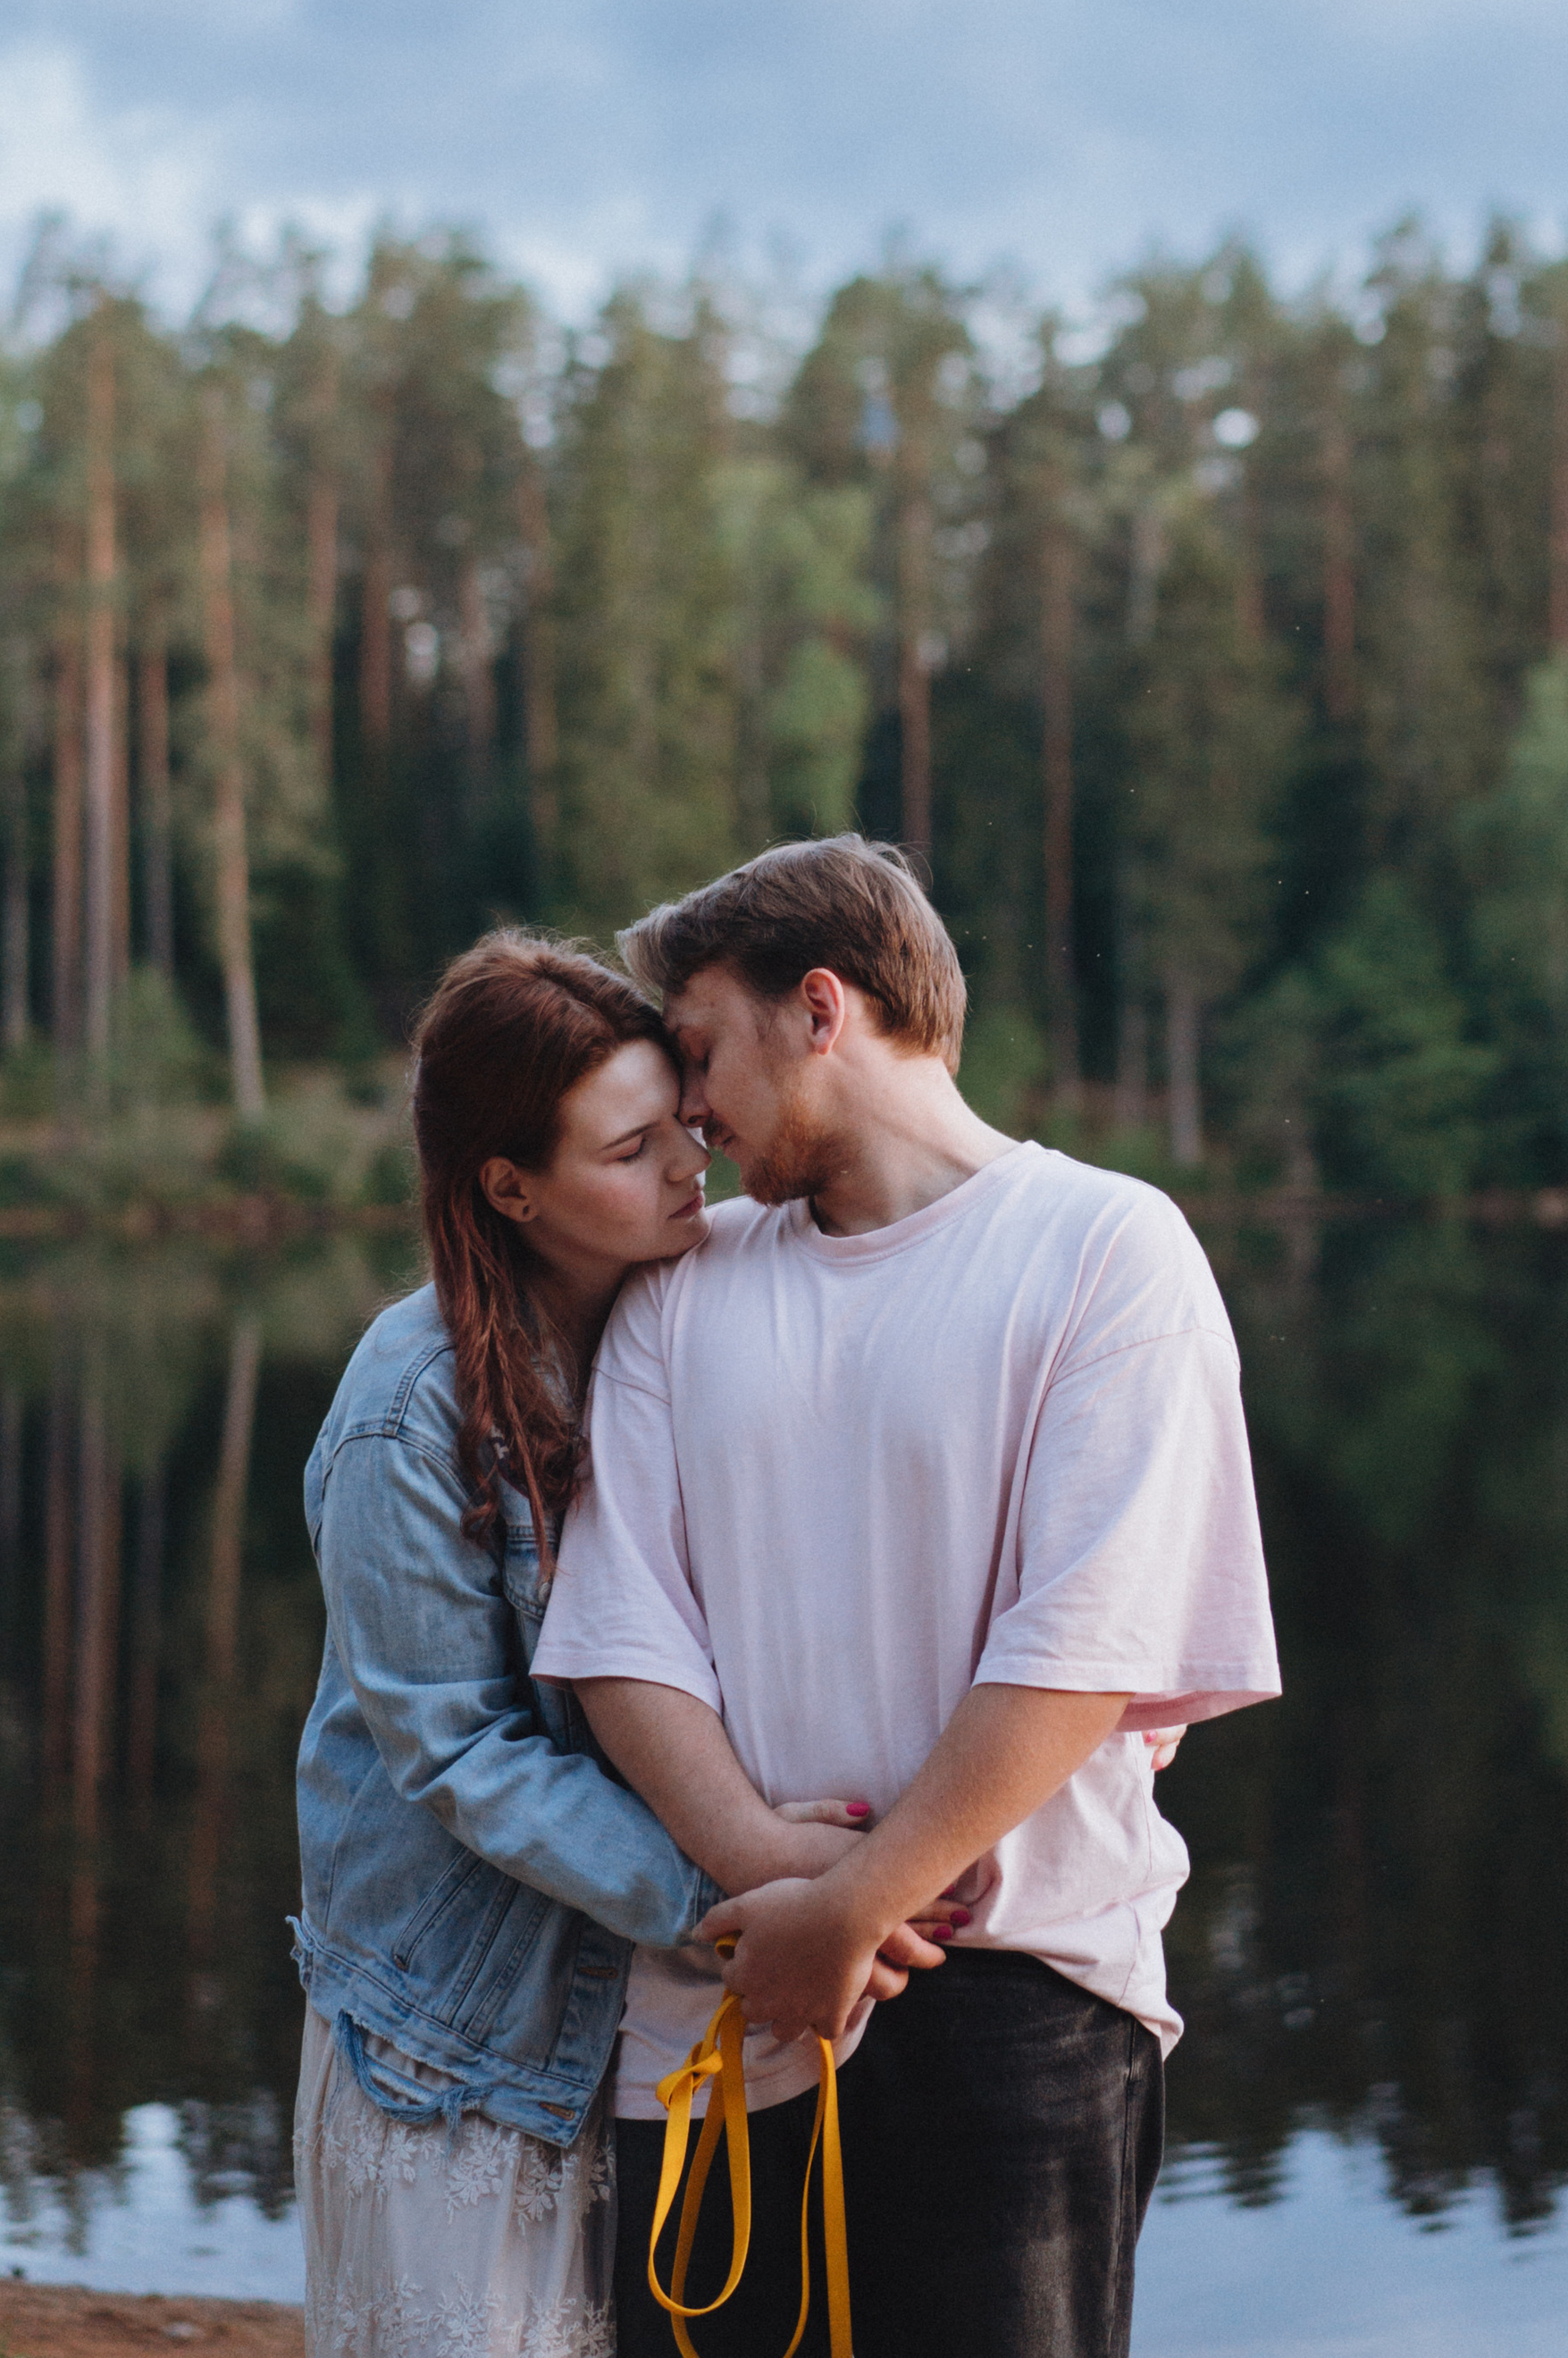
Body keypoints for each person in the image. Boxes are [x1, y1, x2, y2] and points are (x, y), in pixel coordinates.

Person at [531, 836, 1283, 2358]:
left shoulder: (1106, 1249)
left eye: (700, 1050)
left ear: (823, 1008)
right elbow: (623, 1637)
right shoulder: (684, 1284)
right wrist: (779, 1894)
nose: (687, 1109)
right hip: (721, 1996)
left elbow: (1085, 1645)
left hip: (1019, 2011)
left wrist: (862, 1903)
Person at [291, 933, 951, 2358]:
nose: (687, 1164)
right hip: (459, 2035)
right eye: (633, 1147)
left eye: (683, 1119)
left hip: (646, 2036)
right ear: (512, 1188)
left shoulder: (686, 1315)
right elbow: (456, 1751)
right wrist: (732, 1892)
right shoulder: (406, 1410)